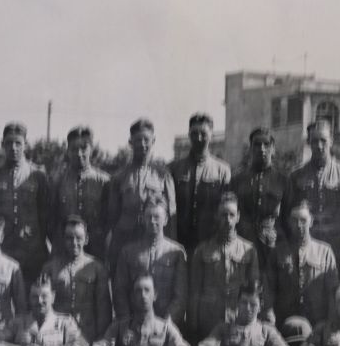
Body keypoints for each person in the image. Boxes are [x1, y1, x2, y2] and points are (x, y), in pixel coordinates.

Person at [0, 122, 50, 283]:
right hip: (3, 250)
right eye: (9, 142)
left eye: (18, 143)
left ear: (26, 144)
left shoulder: (38, 176)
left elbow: (46, 216)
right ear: (2, 144)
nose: (13, 147)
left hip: (33, 251)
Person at [187, 192, 261, 342]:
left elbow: (254, 290)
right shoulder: (202, 250)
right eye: (223, 215)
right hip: (209, 316)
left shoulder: (249, 250)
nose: (227, 220)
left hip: (237, 316)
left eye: (232, 215)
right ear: (216, 216)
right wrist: (193, 323)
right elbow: (194, 290)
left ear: (238, 217)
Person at [105, 118, 177, 269]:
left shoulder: (163, 175)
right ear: (130, 142)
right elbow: (112, 216)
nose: (142, 145)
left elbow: (171, 215)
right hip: (125, 240)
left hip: (153, 239)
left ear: (153, 141)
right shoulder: (119, 177)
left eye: (146, 139)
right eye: (138, 140)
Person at [283, 120, 340, 268]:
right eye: (314, 141)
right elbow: (286, 213)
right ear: (309, 142)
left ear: (332, 141)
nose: (319, 146)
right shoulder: (296, 176)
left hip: (337, 244)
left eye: (323, 140)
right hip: (308, 242)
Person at [262, 199, 339, 331]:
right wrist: (269, 313)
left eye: (303, 220)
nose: (299, 225)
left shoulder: (325, 251)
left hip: (317, 319)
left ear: (311, 221)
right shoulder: (278, 252)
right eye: (294, 220)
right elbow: (269, 287)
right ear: (289, 223)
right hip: (285, 318)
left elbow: (332, 290)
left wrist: (331, 319)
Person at [113, 197, 188, 326]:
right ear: (142, 219)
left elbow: (180, 297)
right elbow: (120, 291)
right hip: (134, 324)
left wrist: (167, 325)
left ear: (165, 220)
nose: (152, 221)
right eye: (148, 217)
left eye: (157, 217)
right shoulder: (128, 252)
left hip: (168, 325)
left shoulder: (177, 253)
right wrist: (127, 322)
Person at [40, 215, 113, 346]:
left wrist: (100, 339)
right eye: (69, 238)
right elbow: (43, 304)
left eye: (78, 238)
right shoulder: (50, 268)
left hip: (87, 333)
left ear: (86, 239)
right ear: (63, 239)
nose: (74, 243)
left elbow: (103, 309)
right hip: (57, 333)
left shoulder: (97, 267)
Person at [170, 112, 233, 250]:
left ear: (211, 135)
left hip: (210, 240)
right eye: (194, 133)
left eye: (203, 133)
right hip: (179, 240)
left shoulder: (222, 170)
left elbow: (226, 207)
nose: (198, 138)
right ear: (188, 135)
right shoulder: (174, 168)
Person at [47, 124, 109, 256]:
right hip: (64, 248)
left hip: (95, 250)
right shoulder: (57, 180)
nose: (79, 153)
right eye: (74, 149)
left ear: (91, 149)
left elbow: (109, 219)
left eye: (84, 148)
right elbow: (50, 218)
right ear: (68, 150)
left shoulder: (104, 181)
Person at [230, 127, 290, 261]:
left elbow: (287, 217)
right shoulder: (237, 179)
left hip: (272, 243)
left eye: (266, 144)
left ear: (273, 149)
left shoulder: (283, 180)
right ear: (250, 148)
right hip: (242, 241)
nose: (261, 148)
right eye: (257, 144)